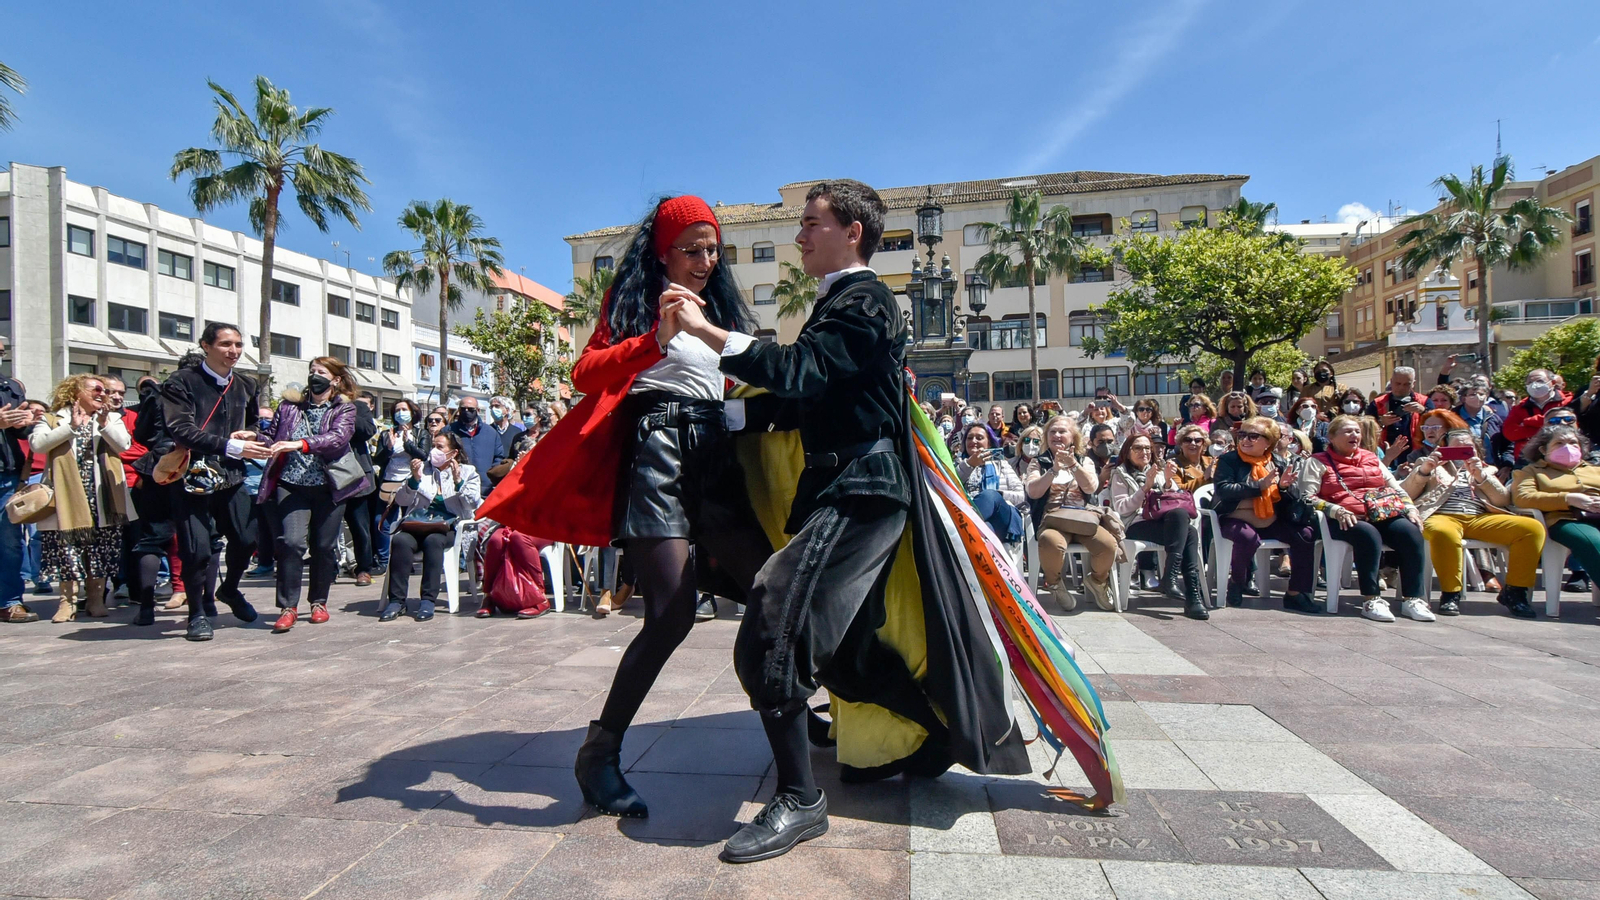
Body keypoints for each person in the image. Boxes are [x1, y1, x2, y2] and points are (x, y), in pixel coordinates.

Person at [660, 180, 1036, 862]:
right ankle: (936, 734)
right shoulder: (844, 302)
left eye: (811, 223)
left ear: (852, 232)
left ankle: (801, 799)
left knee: (774, 624)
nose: (800, 235)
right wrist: (729, 416)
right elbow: (813, 401)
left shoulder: (863, 300)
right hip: (845, 486)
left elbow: (802, 371)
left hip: (859, 492)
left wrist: (704, 332)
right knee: (848, 652)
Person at [477, 195, 774, 825]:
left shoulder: (718, 306)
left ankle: (795, 719)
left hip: (716, 454)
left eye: (711, 248)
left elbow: (740, 380)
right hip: (657, 449)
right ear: (663, 251)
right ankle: (600, 751)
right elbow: (585, 371)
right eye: (691, 249)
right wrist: (651, 340)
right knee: (669, 615)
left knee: (773, 592)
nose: (704, 260)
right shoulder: (633, 303)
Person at [160, 322, 269, 641]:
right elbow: (179, 428)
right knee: (197, 549)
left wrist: (252, 434)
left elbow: (251, 423)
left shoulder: (246, 384)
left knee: (248, 538)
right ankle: (196, 613)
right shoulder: (182, 381)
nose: (233, 351)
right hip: (193, 476)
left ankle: (230, 590)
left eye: (237, 345)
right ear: (206, 346)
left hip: (232, 475)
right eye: (225, 344)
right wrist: (231, 445)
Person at [255, 357, 363, 633]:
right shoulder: (290, 406)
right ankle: (288, 607)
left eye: (322, 372)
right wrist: (255, 438)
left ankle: (318, 601)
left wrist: (301, 444)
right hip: (291, 485)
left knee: (324, 547)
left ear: (336, 380)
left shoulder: (344, 408)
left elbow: (338, 438)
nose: (315, 376)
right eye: (312, 372)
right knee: (290, 542)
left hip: (330, 487)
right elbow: (274, 437)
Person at [1404, 427, 1543, 617]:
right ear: (1444, 448)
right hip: (1442, 515)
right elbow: (1406, 494)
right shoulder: (1427, 464)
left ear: (1476, 450)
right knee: (1443, 532)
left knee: (1531, 528)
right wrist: (1424, 471)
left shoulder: (1485, 469)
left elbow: (1502, 500)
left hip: (1479, 517)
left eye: (1467, 448)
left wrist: (1481, 476)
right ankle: (1451, 594)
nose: (1462, 453)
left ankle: (1515, 592)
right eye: (1456, 448)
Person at [1302, 415, 1429, 622]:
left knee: (1410, 532)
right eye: (1348, 431)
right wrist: (1336, 510)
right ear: (1331, 437)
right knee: (1367, 534)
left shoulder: (1371, 458)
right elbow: (1307, 497)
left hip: (1380, 512)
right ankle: (1372, 598)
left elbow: (1396, 489)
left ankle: (1412, 599)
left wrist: (1410, 509)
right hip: (1342, 518)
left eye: (1357, 431)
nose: (1355, 435)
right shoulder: (1317, 462)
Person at [28, 374, 133, 623]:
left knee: (101, 549)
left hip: (101, 495)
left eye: (104, 390)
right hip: (66, 494)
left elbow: (124, 446)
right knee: (66, 548)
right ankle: (67, 602)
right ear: (76, 392)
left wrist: (105, 422)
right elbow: (38, 445)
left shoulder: (112, 418)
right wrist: (71, 427)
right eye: (96, 389)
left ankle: (96, 599)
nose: (102, 394)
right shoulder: (53, 417)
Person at [1209, 416, 1320, 612]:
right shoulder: (1229, 460)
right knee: (1247, 538)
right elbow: (1224, 490)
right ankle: (1238, 581)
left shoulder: (1277, 461)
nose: (1245, 440)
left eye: (1253, 436)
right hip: (1235, 518)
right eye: (1242, 435)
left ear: (1268, 441)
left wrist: (1284, 488)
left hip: (1270, 519)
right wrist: (1259, 486)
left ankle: (1296, 593)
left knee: (1305, 535)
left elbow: (1290, 499)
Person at [382, 431, 482, 621]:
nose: (434, 451)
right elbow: (402, 500)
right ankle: (396, 601)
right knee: (401, 541)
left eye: (440, 447)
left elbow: (473, 503)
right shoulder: (423, 469)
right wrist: (413, 479)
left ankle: (428, 600)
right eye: (433, 446)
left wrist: (458, 480)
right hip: (418, 523)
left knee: (434, 541)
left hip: (449, 527)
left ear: (453, 453)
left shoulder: (468, 472)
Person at [1023, 415, 1117, 611]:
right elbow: (1033, 491)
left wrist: (1073, 465)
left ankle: (1098, 581)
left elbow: (1091, 488)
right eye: (1052, 432)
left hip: (1083, 519)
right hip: (1052, 519)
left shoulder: (1085, 461)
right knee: (1051, 542)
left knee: (1108, 545)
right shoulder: (1038, 462)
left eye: (1062, 431)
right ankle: (1055, 584)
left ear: (1073, 436)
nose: (1057, 435)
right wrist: (1053, 470)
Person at [1109, 434, 1207, 618]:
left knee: (1187, 526)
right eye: (1137, 448)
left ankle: (1178, 585)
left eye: (1147, 448)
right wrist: (1145, 487)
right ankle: (1191, 594)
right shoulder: (1120, 474)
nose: (1144, 452)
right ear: (1127, 452)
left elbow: (1172, 502)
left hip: (1164, 524)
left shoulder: (1158, 471)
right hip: (1135, 524)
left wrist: (1168, 482)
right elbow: (1122, 509)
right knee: (1188, 531)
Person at [1513, 424, 1600, 618]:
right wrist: (1567, 499)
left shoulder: (1594, 470)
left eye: (1573, 443)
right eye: (1559, 443)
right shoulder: (1532, 471)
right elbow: (1523, 498)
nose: (1567, 447)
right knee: (1593, 543)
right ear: (1544, 449)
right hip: (1565, 519)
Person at [0, 337, 40, 623]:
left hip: (7, 473)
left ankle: (9, 601)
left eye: (1, 352)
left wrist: (25, 423)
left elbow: (19, 434)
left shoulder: (10, 388)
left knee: (10, 540)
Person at [372, 398, 426, 573]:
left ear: (412, 412)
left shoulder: (421, 433)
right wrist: (388, 447)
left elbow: (424, 455)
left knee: (409, 522)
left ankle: (406, 559)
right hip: (389, 481)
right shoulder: (387, 433)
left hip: (412, 481)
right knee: (381, 521)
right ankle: (383, 561)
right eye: (397, 410)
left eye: (404, 409)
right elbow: (378, 460)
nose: (400, 413)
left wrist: (408, 443)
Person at [955, 423, 1025, 546]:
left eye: (979, 438)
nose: (974, 441)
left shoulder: (1001, 464)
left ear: (989, 443)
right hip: (978, 520)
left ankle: (969, 524)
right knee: (984, 530)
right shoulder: (959, 465)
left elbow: (1020, 496)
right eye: (969, 438)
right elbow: (952, 486)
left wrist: (997, 496)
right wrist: (970, 464)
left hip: (1001, 517)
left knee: (989, 495)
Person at [340, 390, 380, 585]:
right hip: (324, 475)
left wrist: (346, 408)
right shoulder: (317, 405)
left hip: (355, 474)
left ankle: (363, 568)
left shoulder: (359, 407)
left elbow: (367, 431)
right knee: (324, 529)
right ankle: (328, 569)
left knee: (359, 526)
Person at [1503, 369, 1574, 461]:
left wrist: (1529, 422)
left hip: (1563, 455)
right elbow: (1510, 433)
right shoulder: (1520, 407)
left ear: (1552, 383)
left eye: (1539, 381)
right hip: (1527, 459)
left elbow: (1571, 427)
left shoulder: (1568, 401)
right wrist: (1549, 424)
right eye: (1530, 382)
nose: (1534, 385)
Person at [447, 397, 505, 490]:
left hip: (485, 488)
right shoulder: (448, 431)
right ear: (458, 410)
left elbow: (499, 457)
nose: (466, 411)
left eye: (470, 409)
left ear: (477, 410)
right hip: (456, 486)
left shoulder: (491, 432)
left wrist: (491, 476)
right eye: (463, 409)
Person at [1368, 366, 1431, 447]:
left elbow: (1438, 422)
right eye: (1398, 383)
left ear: (1413, 384)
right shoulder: (1378, 403)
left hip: (1415, 451)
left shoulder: (1424, 401)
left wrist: (1423, 411)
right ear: (1391, 382)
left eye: (1406, 384)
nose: (1401, 387)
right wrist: (1381, 422)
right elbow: (1365, 426)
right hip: (1385, 450)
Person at [1170, 424, 1214, 492]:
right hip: (1189, 502)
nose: (1193, 443)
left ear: (1204, 445)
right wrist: (1204, 478)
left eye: (1198, 440)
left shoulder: (1211, 461)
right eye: (1187, 440)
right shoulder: (1173, 465)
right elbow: (1178, 490)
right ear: (1180, 444)